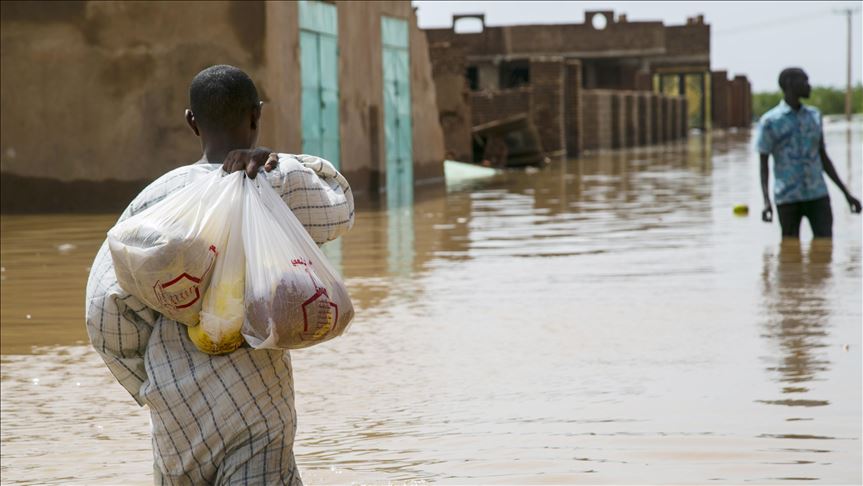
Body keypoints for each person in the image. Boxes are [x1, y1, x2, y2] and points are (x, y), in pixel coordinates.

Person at [85, 65, 354, 484]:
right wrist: (283, 162)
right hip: (256, 394)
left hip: (177, 404)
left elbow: (103, 306)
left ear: (191, 121)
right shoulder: (271, 183)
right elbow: (339, 206)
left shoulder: (158, 201)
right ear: (255, 116)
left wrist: (148, 381)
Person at [757, 67, 861, 238]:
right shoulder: (770, 122)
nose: (809, 86)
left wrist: (847, 194)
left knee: (825, 249)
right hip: (787, 198)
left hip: (817, 194)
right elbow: (763, 166)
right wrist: (767, 202)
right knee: (790, 253)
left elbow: (824, 159)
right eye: (804, 81)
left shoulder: (814, 116)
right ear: (790, 84)